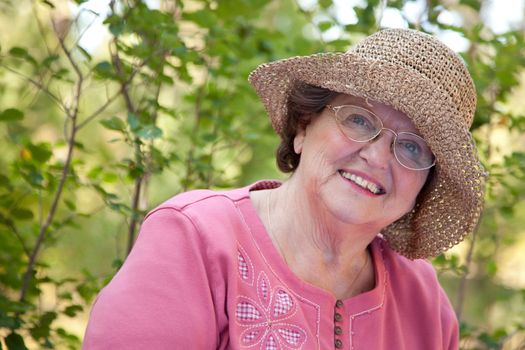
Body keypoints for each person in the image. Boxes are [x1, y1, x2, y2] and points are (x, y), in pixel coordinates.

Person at [83, 28, 486, 349]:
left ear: (423, 186)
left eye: (412, 147)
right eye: (360, 120)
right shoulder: (196, 238)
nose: (378, 158)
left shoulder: (423, 300)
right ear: (303, 127)